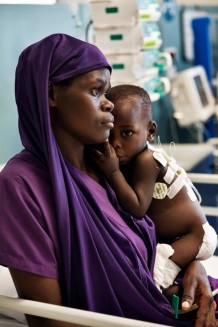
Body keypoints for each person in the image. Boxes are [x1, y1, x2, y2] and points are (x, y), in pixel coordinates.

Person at [0, 34, 217, 327]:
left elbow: (153, 253)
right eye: (95, 91)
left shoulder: (107, 166)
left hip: (170, 303)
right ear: (50, 94)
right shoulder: (22, 185)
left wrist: (195, 268)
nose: (109, 105)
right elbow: (52, 321)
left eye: (107, 93)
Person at [93, 84, 217, 291]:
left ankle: (169, 310)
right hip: (180, 237)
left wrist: (113, 172)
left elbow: (138, 208)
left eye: (126, 133)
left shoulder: (146, 161)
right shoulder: (132, 159)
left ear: (150, 131)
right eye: (109, 133)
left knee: (154, 278)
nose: (115, 143)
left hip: (194, 236)